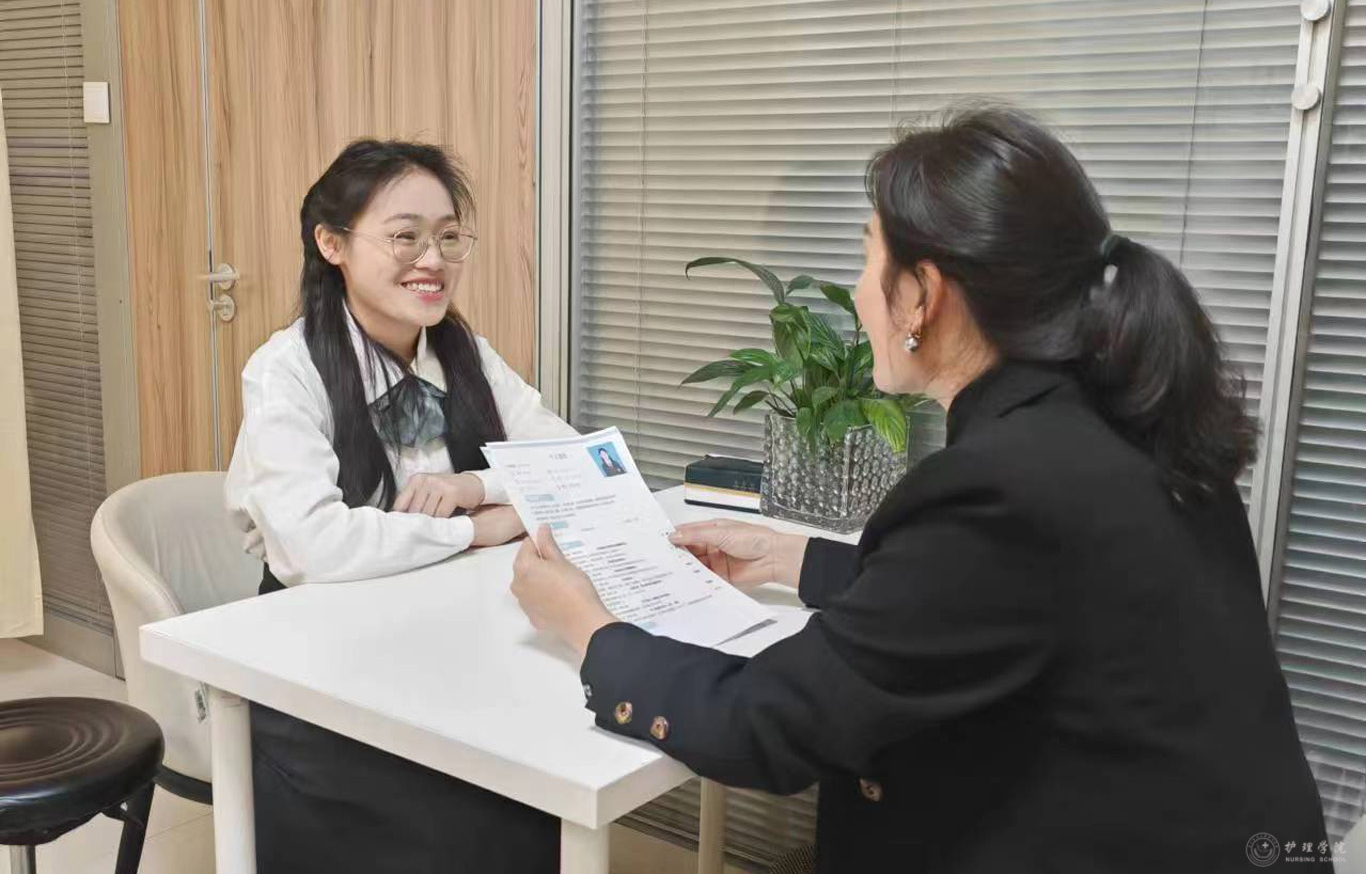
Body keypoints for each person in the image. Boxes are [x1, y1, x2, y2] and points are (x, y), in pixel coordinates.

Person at [508, 107, 1331, 872]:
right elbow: (998, 603)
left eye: (869, 258)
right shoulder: (1119, 420)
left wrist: (586, 624)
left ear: (922, 296)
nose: (860, 292)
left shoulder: (1004, 486)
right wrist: (796, 559)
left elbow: (768, 722)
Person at [224, 139, 576, 872]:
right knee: (465, 829)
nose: (432, 260)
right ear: (332, 244)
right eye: (404, 236)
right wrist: (473, 533)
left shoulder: (464, 353)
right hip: (316, 669)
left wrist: (480, 491)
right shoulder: (287, 370)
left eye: (448, 237)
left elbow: (572, 462)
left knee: (535, 800)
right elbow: (314, 545)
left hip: (443, 641)